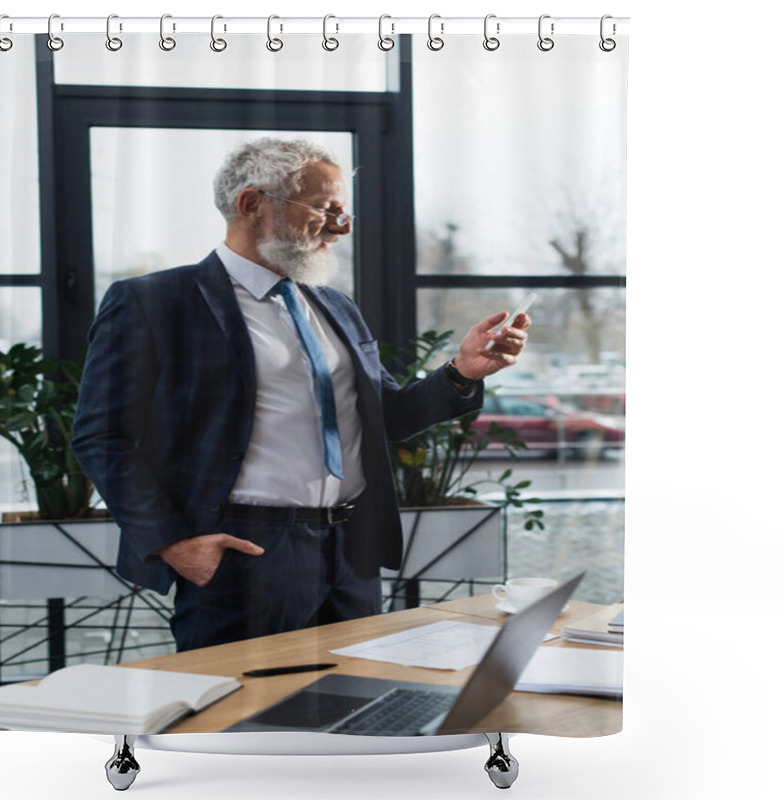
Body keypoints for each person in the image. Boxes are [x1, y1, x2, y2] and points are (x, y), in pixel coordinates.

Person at [72, 138, 530, 652]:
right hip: (245, 555)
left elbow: (382, 418)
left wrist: (462, 372)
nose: (344, 225)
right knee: (241, 721)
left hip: (350, 552)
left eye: (344, 211)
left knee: (356, 715)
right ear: (251, 204)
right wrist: (174, 543)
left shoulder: (336, 305)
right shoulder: (154, 302)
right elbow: (101, 436)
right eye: (326, 209)